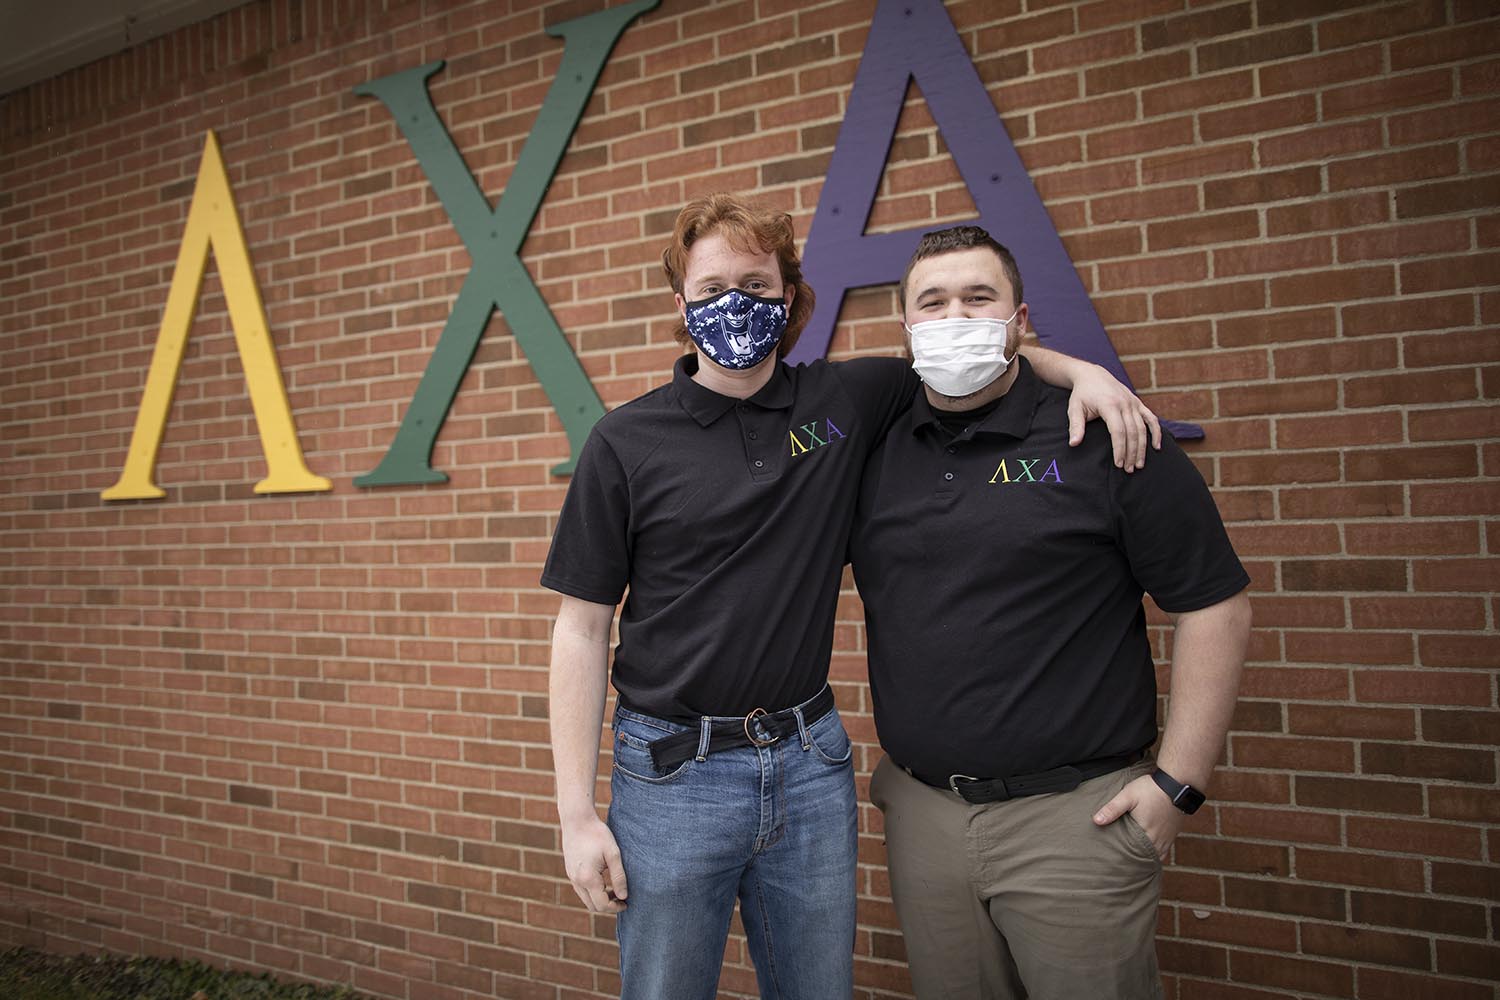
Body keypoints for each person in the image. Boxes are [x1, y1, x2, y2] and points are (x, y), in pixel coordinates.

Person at [541, 195, 1158, 1000]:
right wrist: (576, 815)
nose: (737, 303)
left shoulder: (845, 401)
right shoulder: (624, 441)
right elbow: (582, 629)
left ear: (791, 298)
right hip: (671, 777)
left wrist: (1086, 373)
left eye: (758, 285)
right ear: (680, 304)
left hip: (808, 766)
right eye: (713, 285)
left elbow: (971, 354)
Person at [851, 224, 1253, 999]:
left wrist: (1178, 786)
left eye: (979, 299)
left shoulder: (1107, 435)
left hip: (1078, 823)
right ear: (905, 329)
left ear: (1020, 319)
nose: (955, 319)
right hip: (924, 819)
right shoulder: (876, 442)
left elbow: (1216, 605)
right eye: (931, 303)